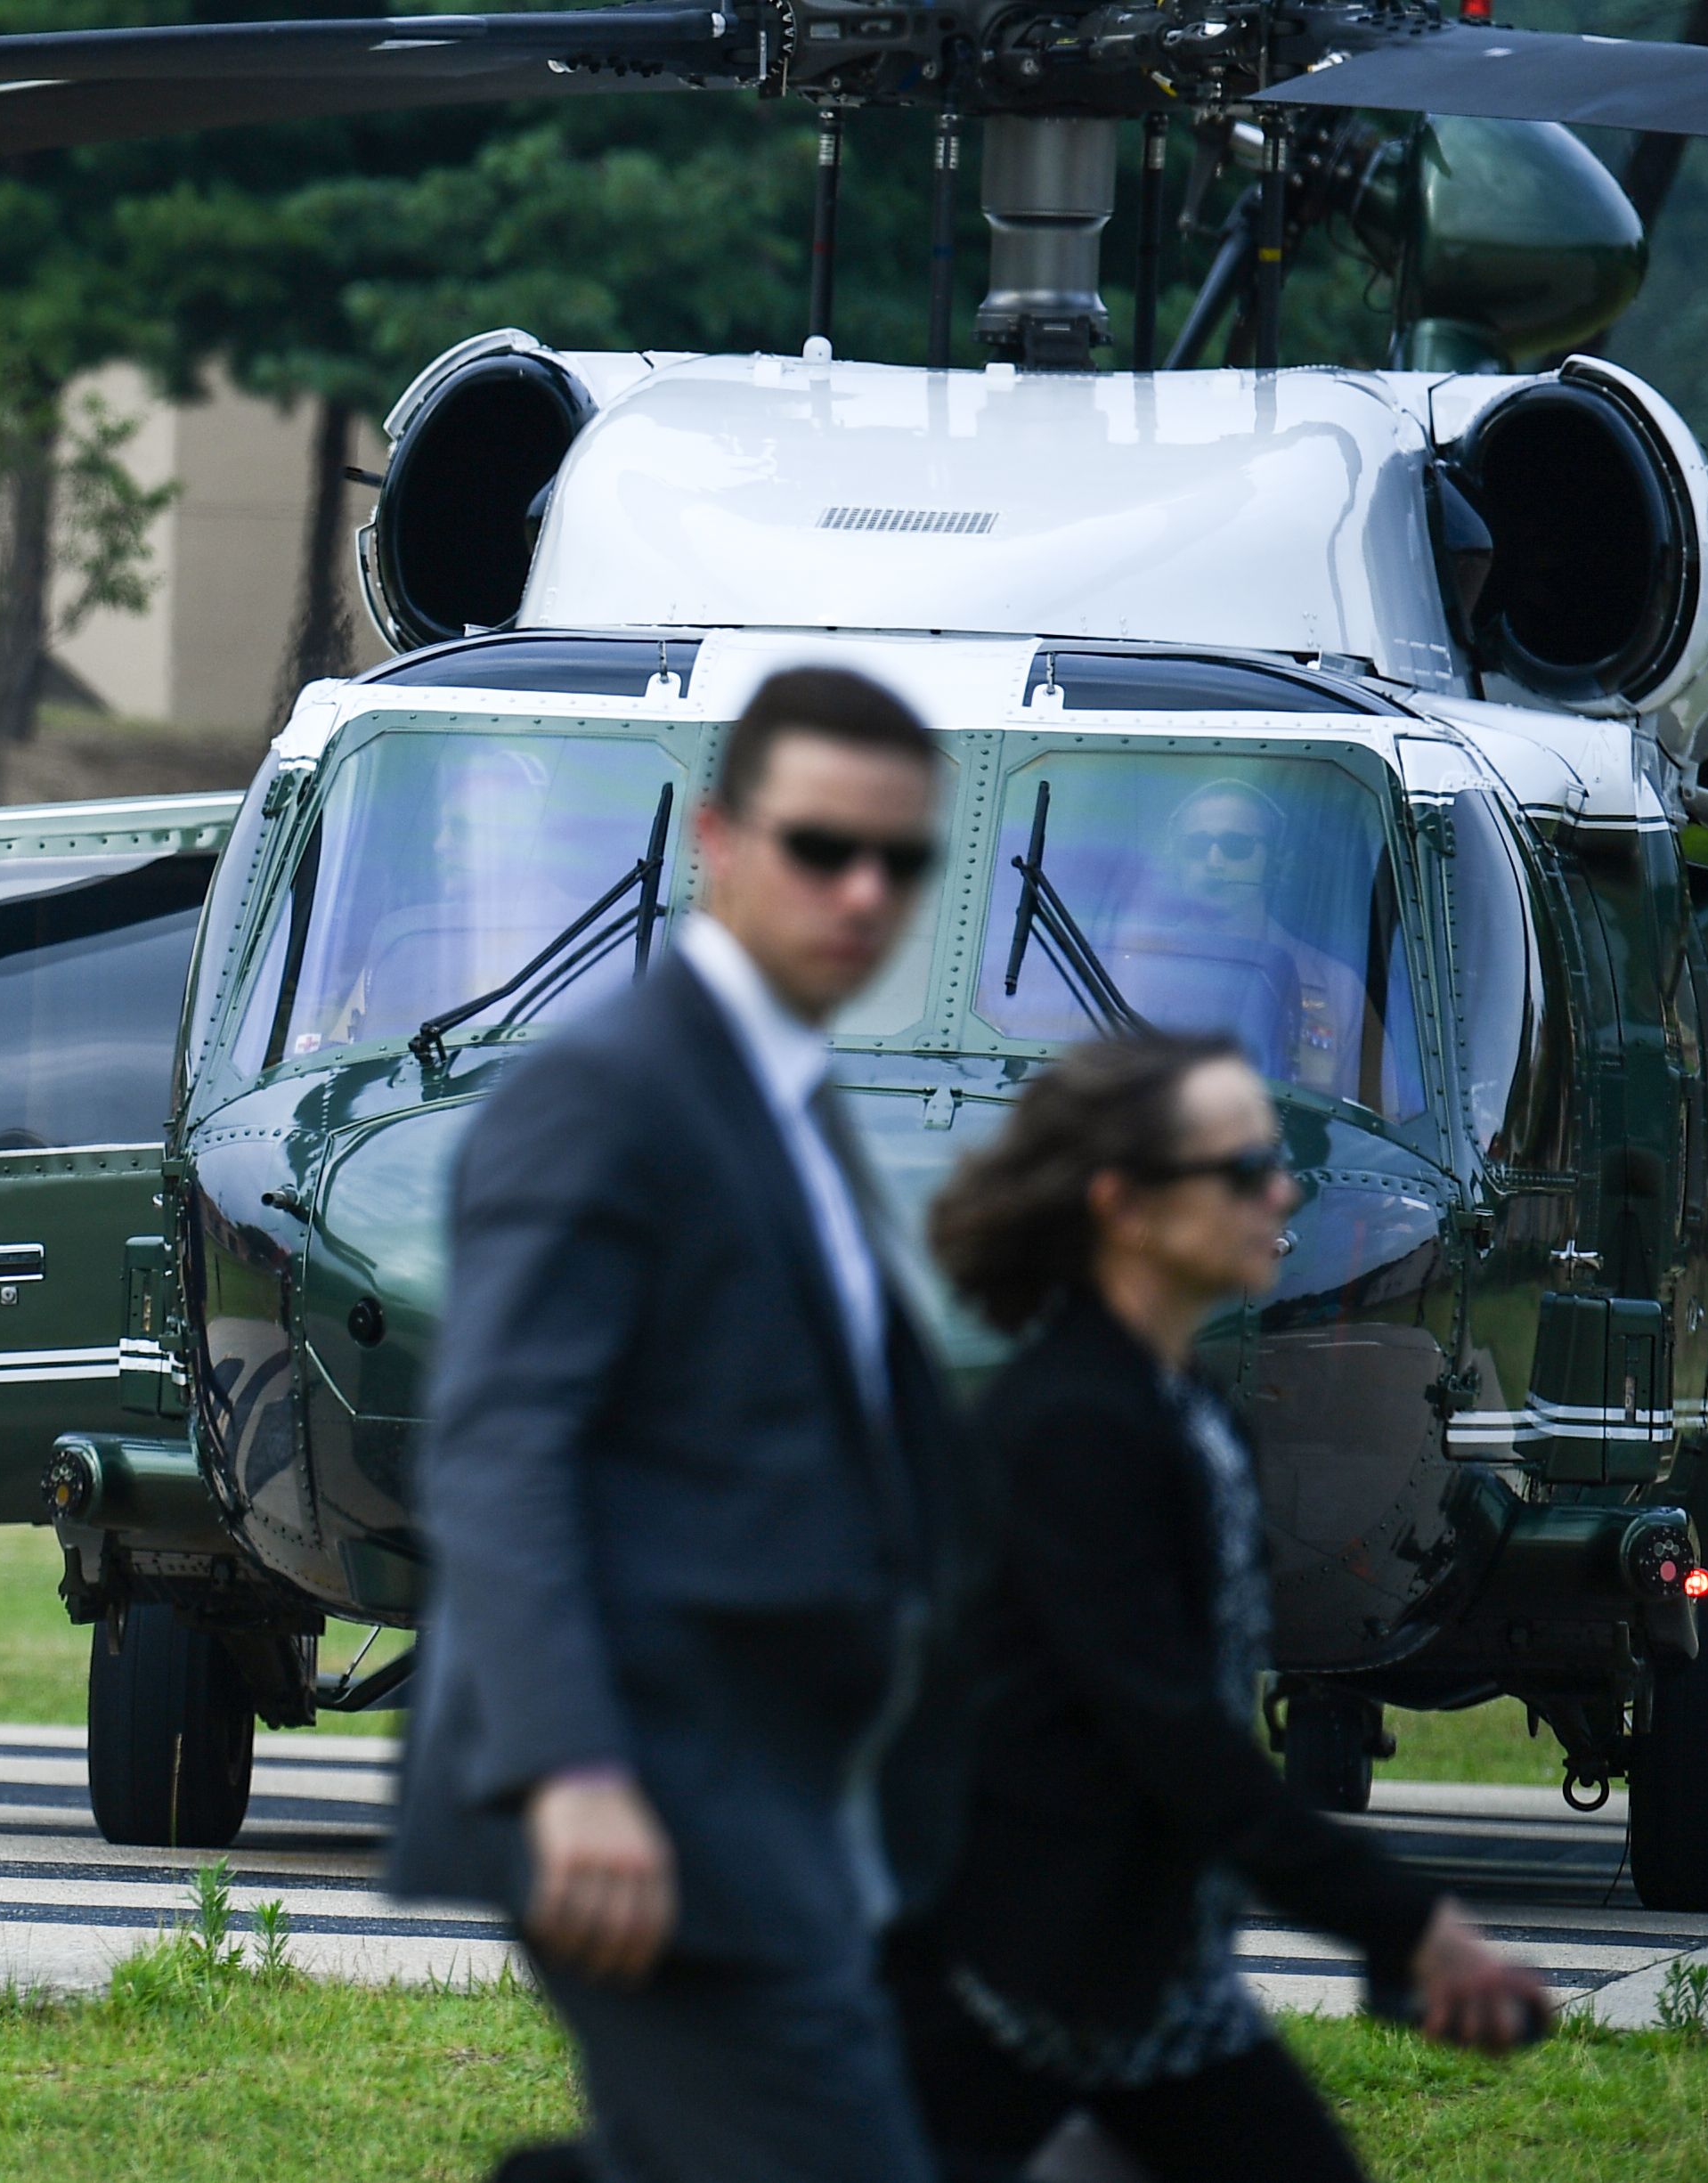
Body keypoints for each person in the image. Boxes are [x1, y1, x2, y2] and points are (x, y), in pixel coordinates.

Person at [389, 667, 987, 2183]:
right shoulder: (606, 1093)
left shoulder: (778, 1095)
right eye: (818, 848)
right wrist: (570, 1768)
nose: (861, 892)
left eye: (901, 861)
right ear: (717, 836)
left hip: (778, 1788)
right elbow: (498, 1446)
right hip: (652, 1786)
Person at [901, 1033, 1549, 2183]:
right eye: (1244, 1167)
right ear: (1126, 1207)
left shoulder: (1182, 1408)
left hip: (1143, 1988)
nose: (1283, 1187)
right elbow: (1174, 1738)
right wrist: (1404, 1923)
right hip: (1003, 1984)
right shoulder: (1065, 1431)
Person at [1151, 780, 1365, 1103]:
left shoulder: (1336, 985)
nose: (1214, 861)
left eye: (1236, 845)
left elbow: (1371, 1122)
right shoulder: (1136, 966)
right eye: (1196, 846)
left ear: (1274, 858)